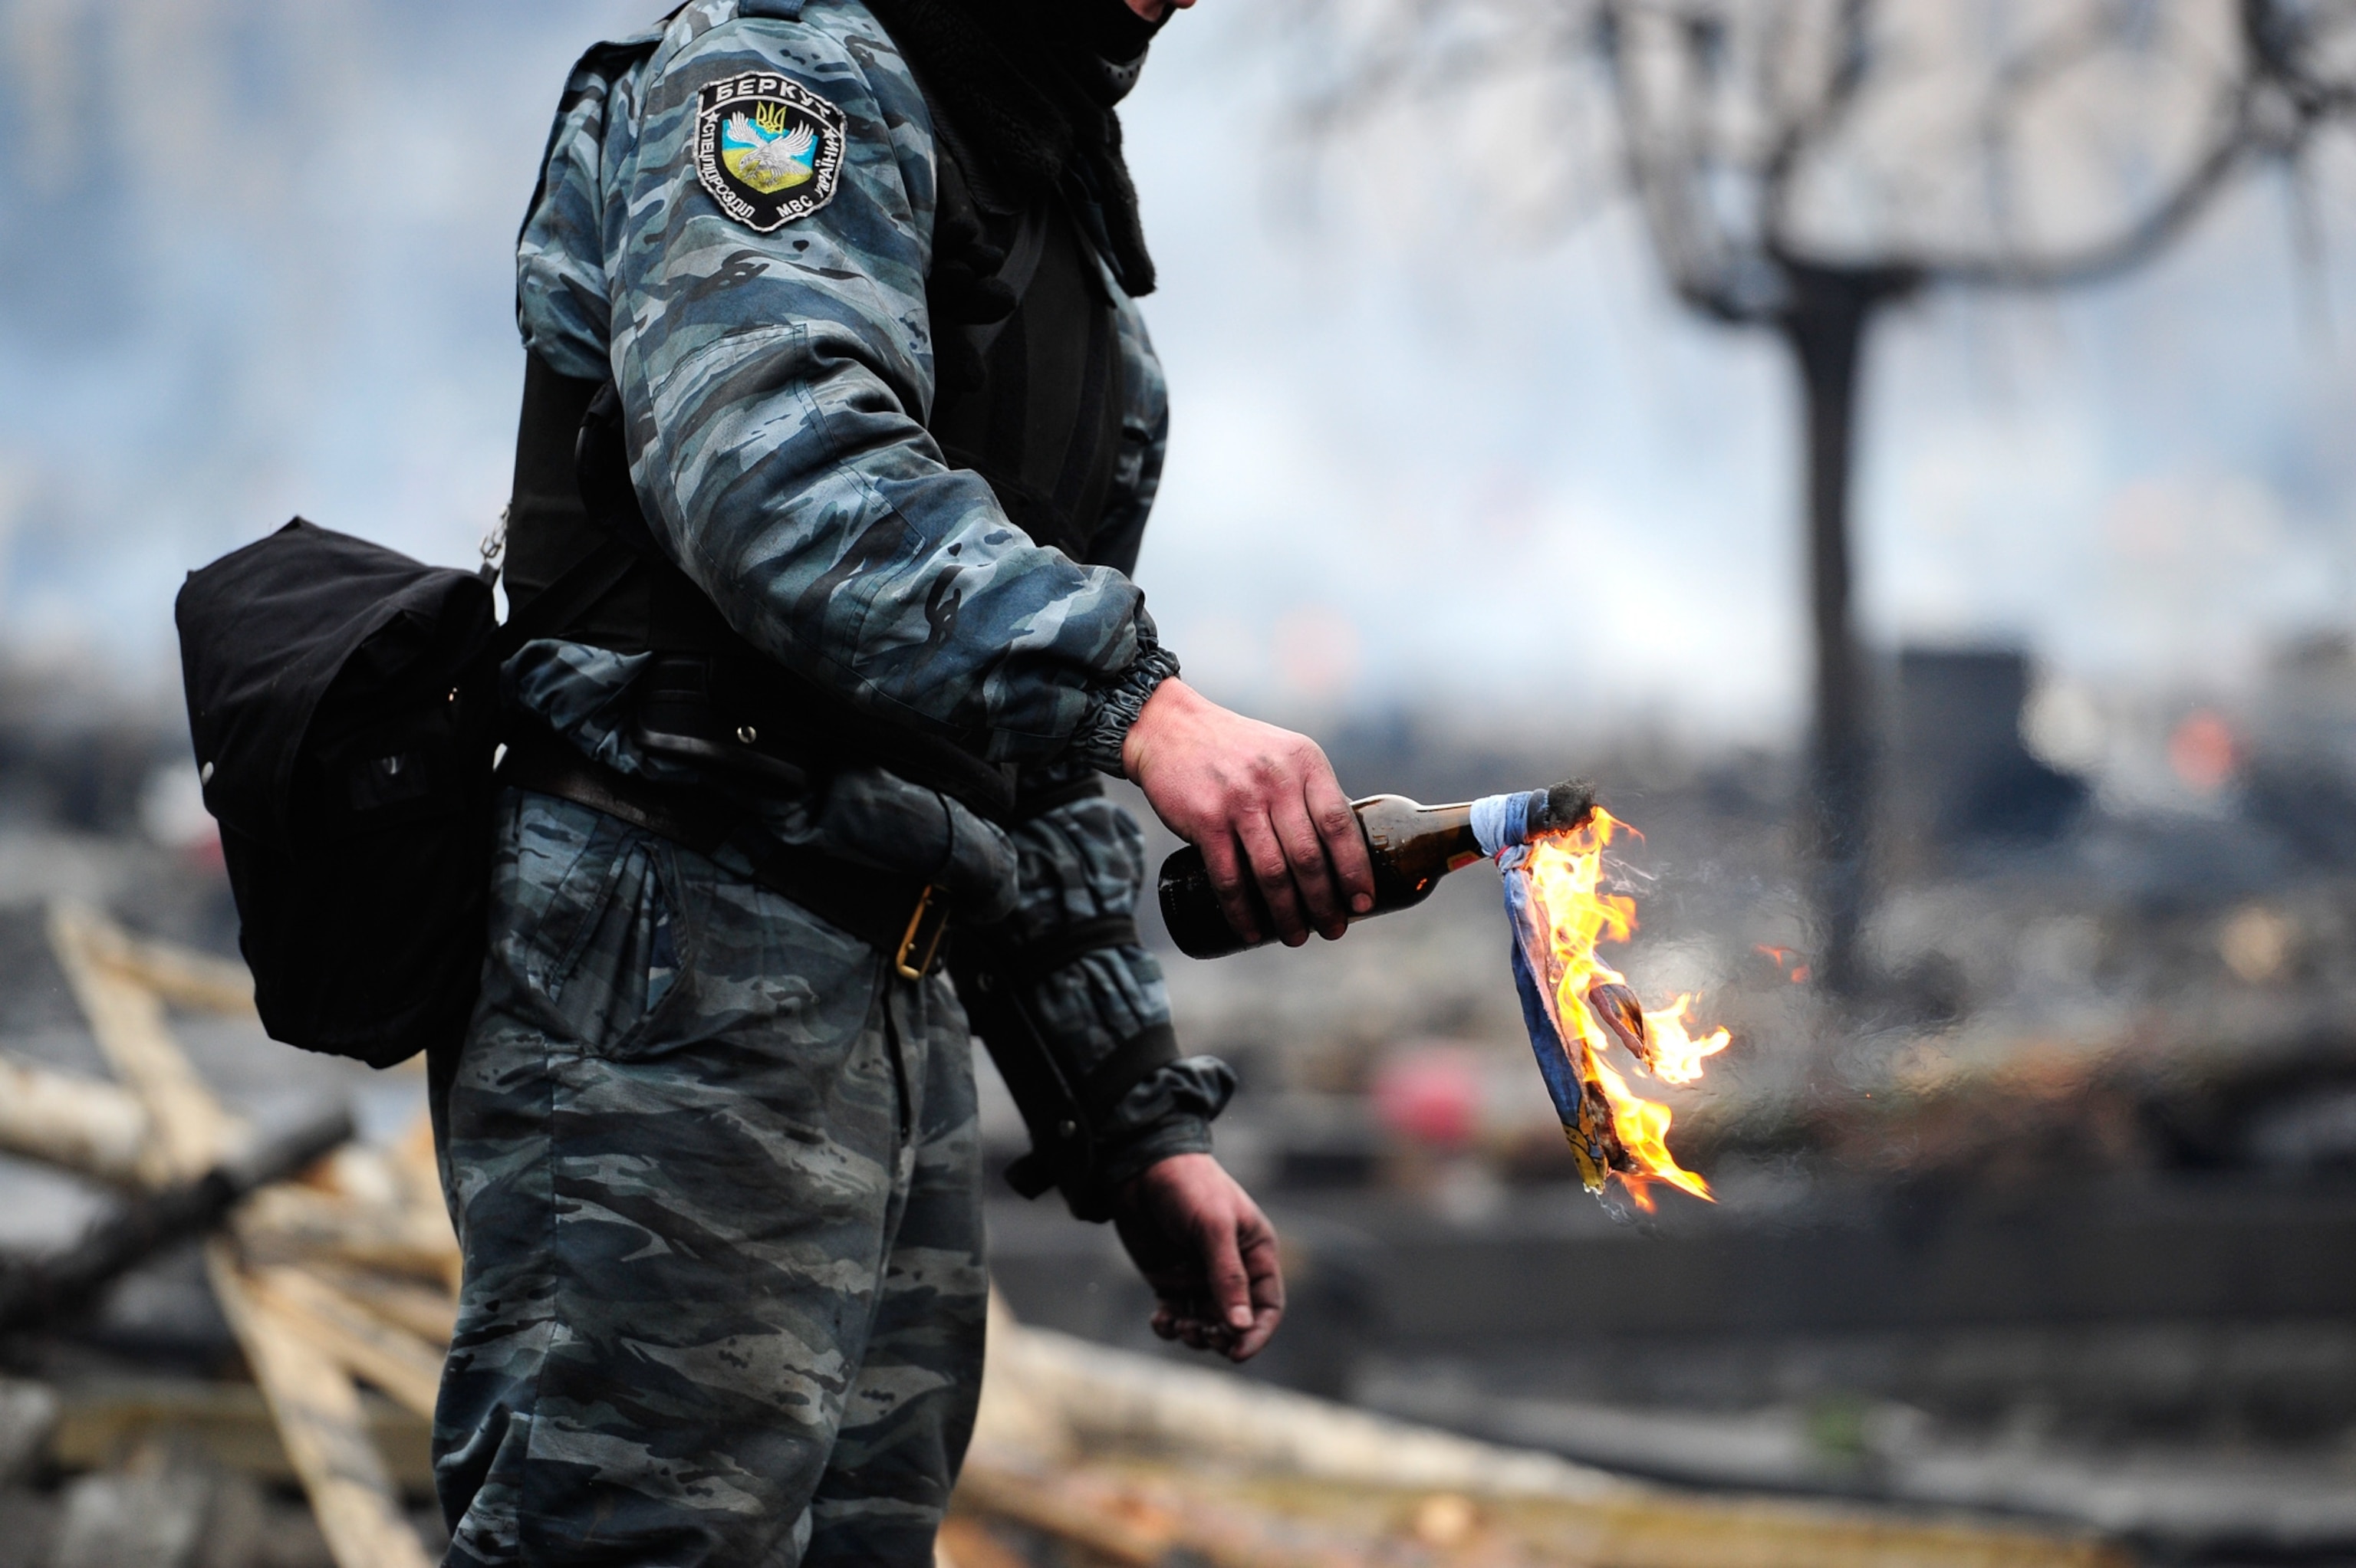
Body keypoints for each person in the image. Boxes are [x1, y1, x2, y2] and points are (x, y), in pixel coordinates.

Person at [432, 0, 1375, 1561]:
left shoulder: (1032, 163)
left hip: (887, 998)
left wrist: (1131, 1118)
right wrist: (1143, 704)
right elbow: (773, 465)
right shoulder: (785, 70)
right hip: (673, 983)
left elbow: (992, 740)